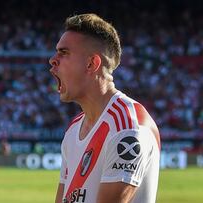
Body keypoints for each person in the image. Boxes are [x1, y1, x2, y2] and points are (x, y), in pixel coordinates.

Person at [49, 13, 160, 203]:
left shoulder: (127, 128)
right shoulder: (74, 129)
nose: (52, 60)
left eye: (64, 52)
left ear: (92, 63)